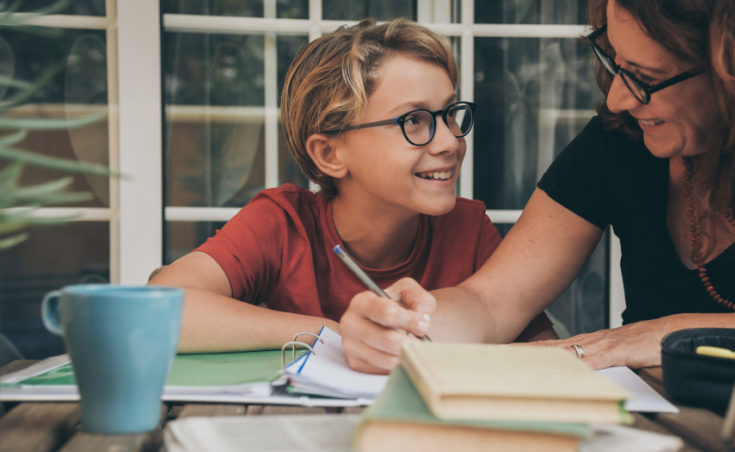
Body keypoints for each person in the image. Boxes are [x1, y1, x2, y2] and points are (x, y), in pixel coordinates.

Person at [339, 0, 735, 373]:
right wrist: (410, 326)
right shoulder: (621, 141)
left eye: (645, 76)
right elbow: (491, 302)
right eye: (615, 62)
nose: (617, 100)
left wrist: (655, 334)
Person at [149, 19, 554, 351]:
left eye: (450, 113)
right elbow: (160, 308)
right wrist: (337, 335)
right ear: (330, 155)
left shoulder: (467, 229)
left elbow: (543, 352)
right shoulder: (283, 224)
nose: (450, 141)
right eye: (413, 120)